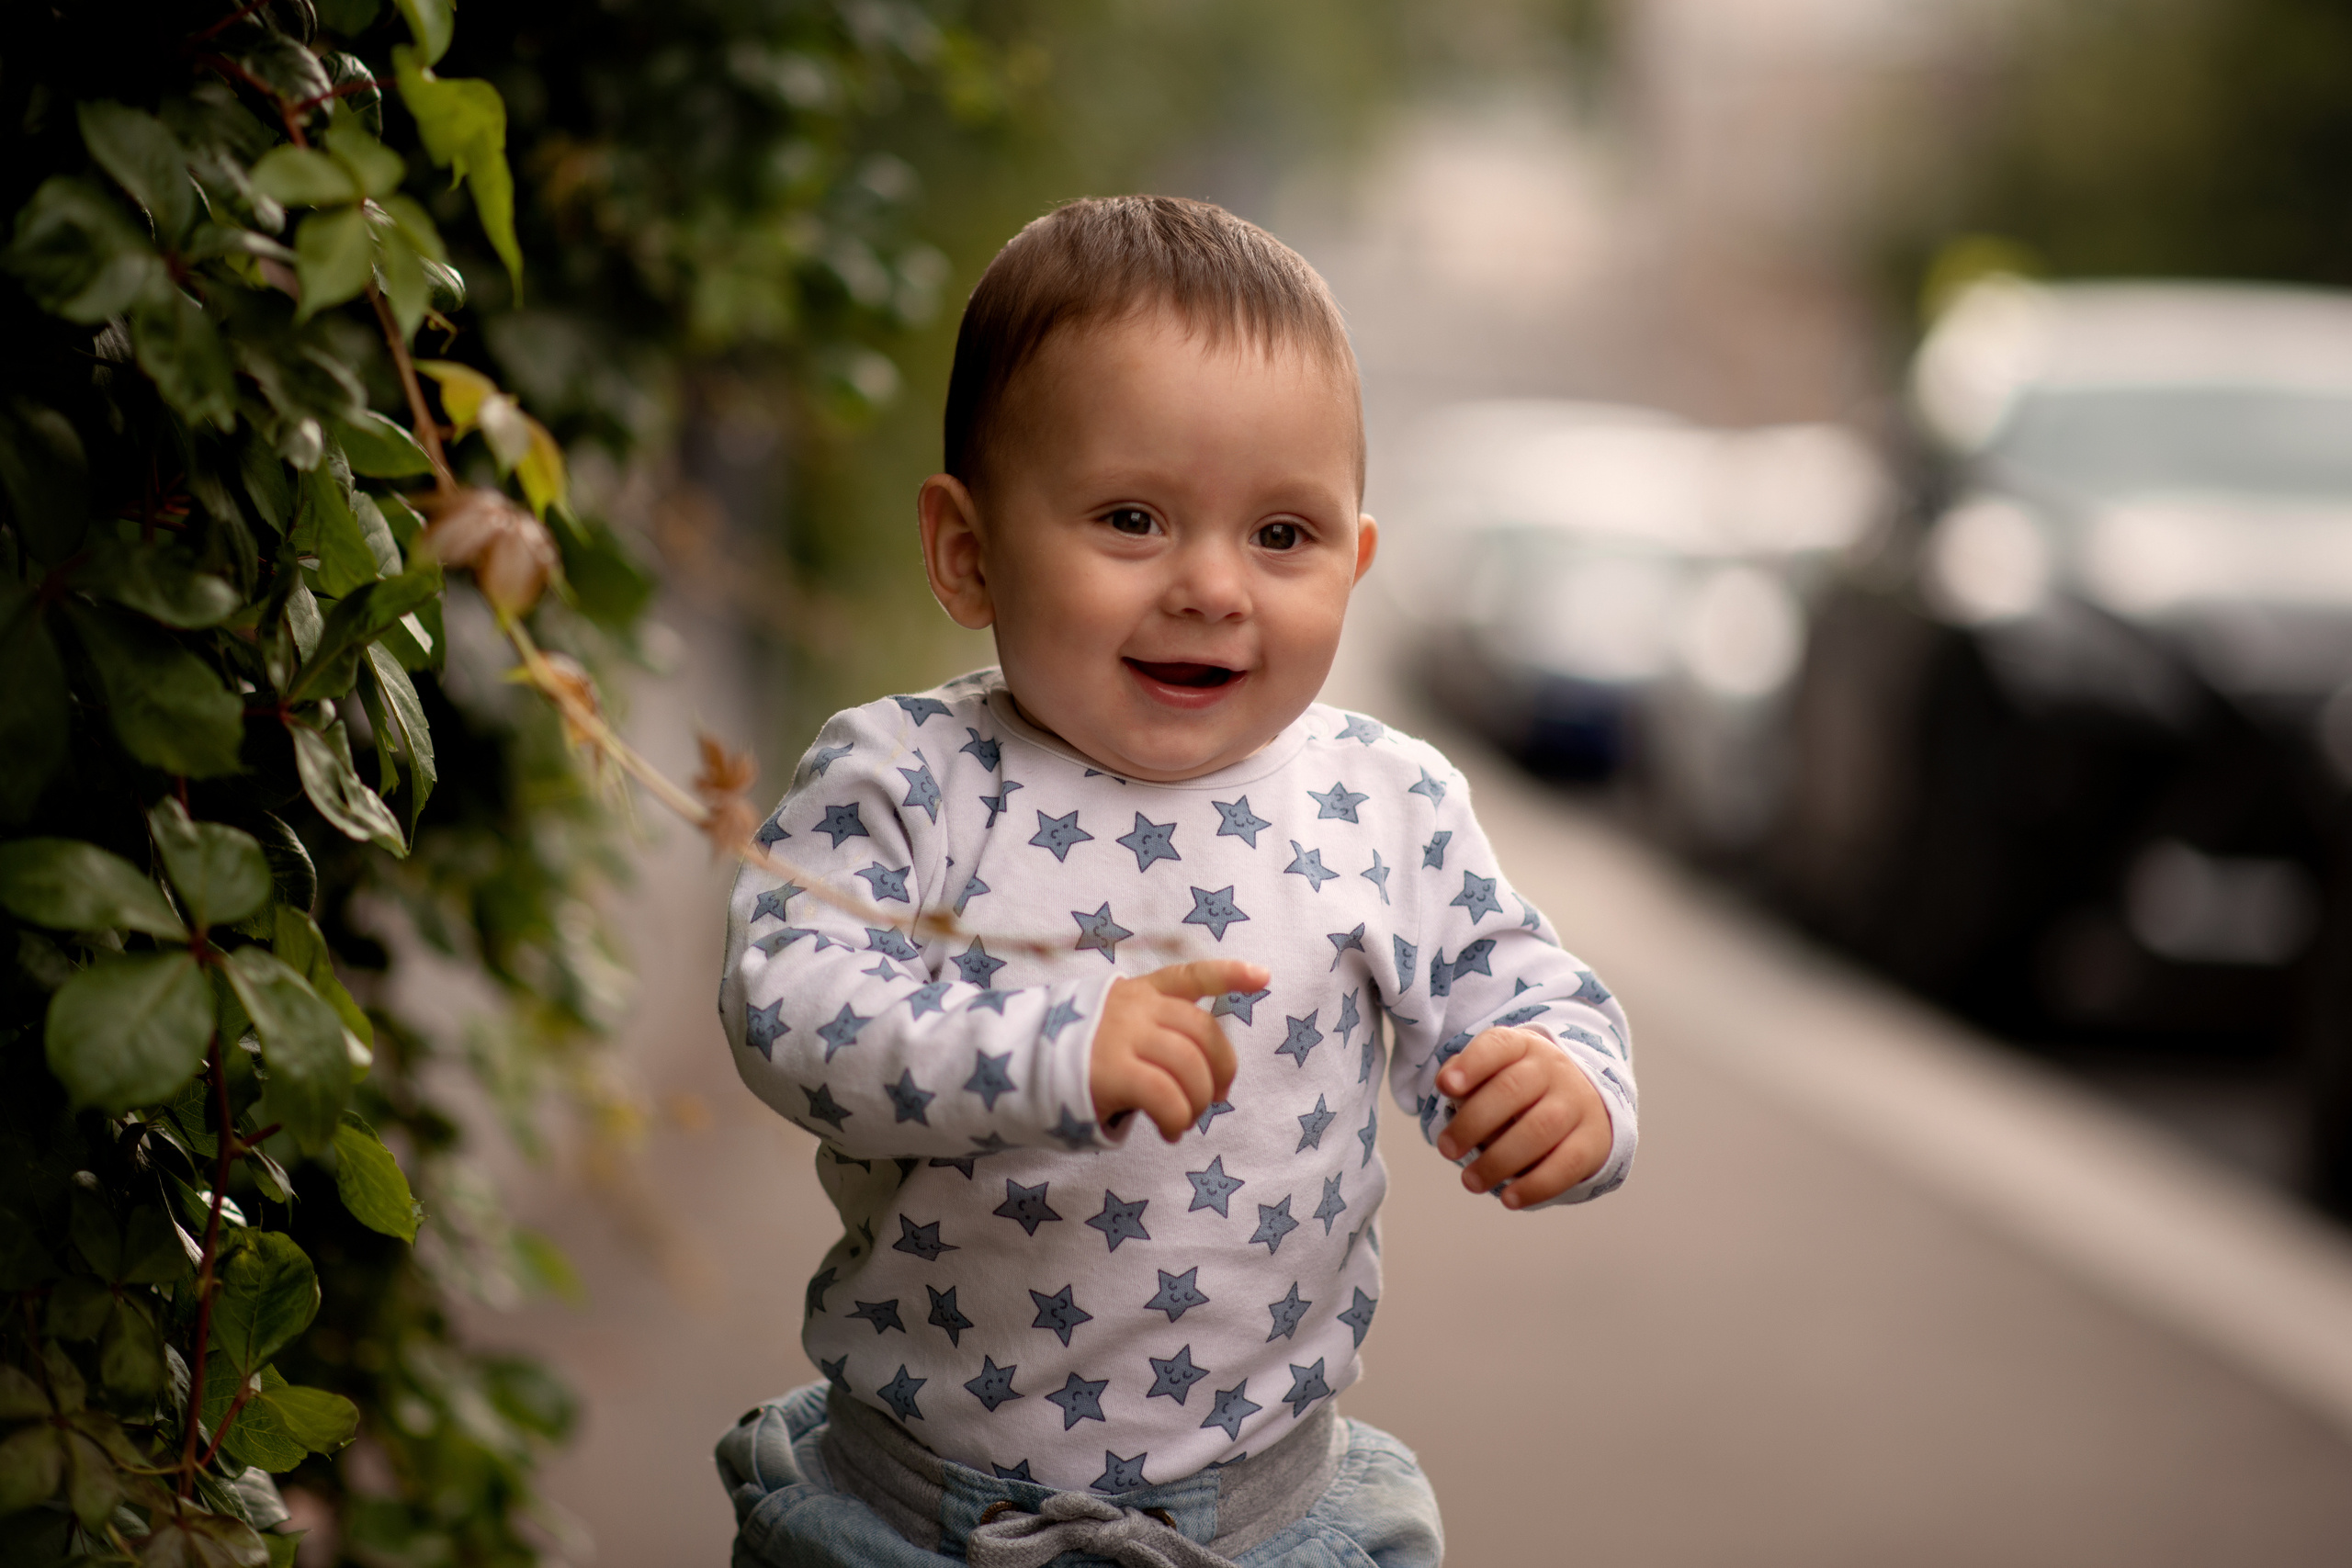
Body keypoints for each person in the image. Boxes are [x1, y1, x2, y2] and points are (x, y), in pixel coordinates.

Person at [714, 195, 1636, 1567]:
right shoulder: (908, 777)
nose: (1214, 586)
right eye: (1134, 519)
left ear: (1355, 563)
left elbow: (1531, 991)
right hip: (909, 1523)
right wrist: (1051, 1048)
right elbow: (787, 1008)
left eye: (1283, 536)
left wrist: (1566, 1084)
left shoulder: (1386, 804)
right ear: (969, 550)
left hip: (1270, 1525)